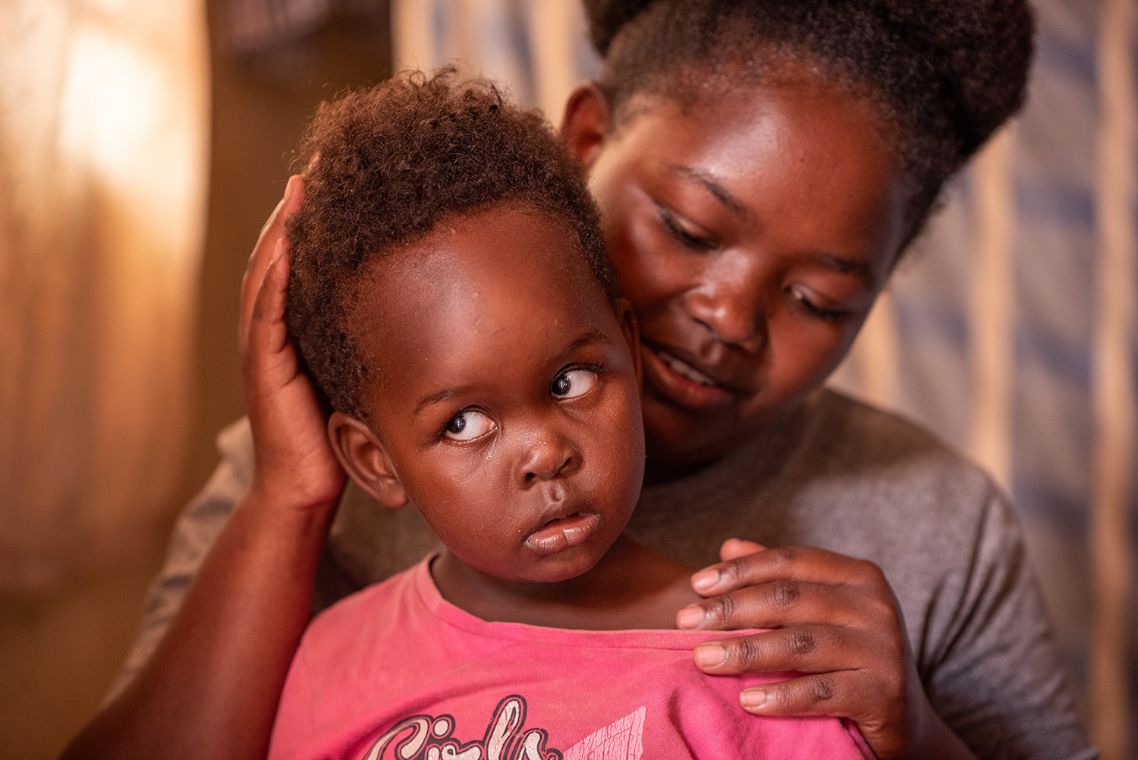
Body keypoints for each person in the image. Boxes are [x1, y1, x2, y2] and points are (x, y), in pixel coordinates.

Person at [63, 1, 1095, 759]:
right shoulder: (305, 475)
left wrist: (912, 727)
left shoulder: (934, 522)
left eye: (819, 298)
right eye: (687, 230)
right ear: (588, 141)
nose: (728, 320)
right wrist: (287, 501)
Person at [264, 69, 872, 759]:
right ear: (375, 461)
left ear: (629, 352)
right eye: (464, 423)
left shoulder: (754, 670)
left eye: (570, 380)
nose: (545, 452)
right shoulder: (334, 659)